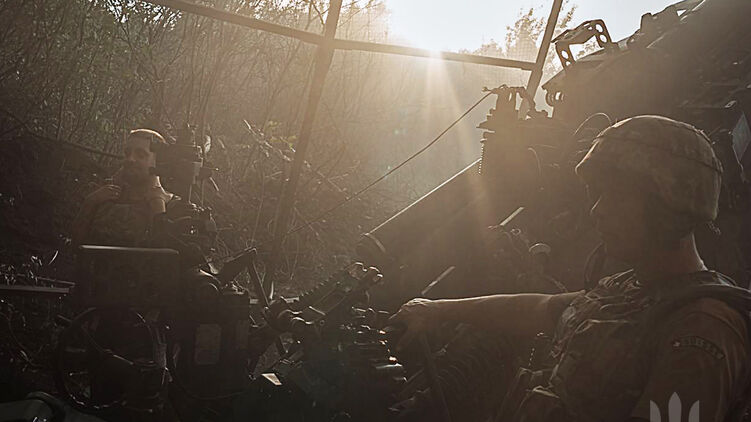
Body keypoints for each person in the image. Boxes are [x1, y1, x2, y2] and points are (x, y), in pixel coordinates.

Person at [390, 115, 751, 422]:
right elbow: (543, 308)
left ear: (667, 209)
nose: (597, 210)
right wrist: (435, 310)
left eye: (616, 196)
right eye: (598, 194)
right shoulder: (631, 290)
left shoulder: (700, 335)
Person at [71, 128, 174, 247]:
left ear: (158, 162)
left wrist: (158, 207)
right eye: (127, 153)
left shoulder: (173, 206)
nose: (130, 159)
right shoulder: (105, 197)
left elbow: (163, 254)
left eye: (141, 155)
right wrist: (90, 203)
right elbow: (75, 245)